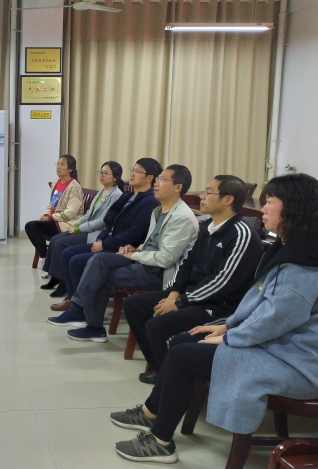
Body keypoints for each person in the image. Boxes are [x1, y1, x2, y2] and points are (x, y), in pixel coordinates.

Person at [111, 173, 318, 464]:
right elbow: (261, 304)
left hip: (294, 360)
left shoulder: (303, 263)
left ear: (294, 208)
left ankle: (160, 442)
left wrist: (230, 337)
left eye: (270, 201)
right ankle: (152, 411)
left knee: (183, 354)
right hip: (275, 344)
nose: (263, 209)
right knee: (184, 340)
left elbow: (277, 317)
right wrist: (227, 326)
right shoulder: (289, 246)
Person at [124, 175, 264, 384]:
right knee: (134, 305)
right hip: (191, 295)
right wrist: (173, 295)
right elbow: (187, 263)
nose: (201, 196)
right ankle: (162, 370)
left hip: (220, 305)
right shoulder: (207, 226)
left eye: (208, 192)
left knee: (157, 325)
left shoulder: (241, 234)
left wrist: (180, 302)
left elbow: (222, 282)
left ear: (228, 199)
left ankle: (173, 378)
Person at [48, 165, 199, 342]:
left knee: (100, 274)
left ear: (178, 187)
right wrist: (136, 249)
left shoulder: (182, 217)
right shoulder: (159, 210)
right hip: (144, 261)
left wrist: (133, 255)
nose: (157, 183)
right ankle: (83, 315)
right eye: (158, 179)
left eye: (162, 179)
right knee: (99, 261)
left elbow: (166, 258)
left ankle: (87, 320)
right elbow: (151, 243)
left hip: (159, 273)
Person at [47, 158, 161, 311]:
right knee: (67, 252)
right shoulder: (128, 196)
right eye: (132, 170)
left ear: (150, 178)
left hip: (122, 248)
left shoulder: (149, 201)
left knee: (74, 258)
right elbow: (109, 221)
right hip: (107, 240)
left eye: (137, 171)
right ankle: (72, 297)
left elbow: (134, 233)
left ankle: (77, 304)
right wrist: (101, 239)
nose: (132, 174)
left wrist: (104, 243)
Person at [39, 162, 124, 294]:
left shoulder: (116, 195)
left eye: (106, 173)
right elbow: (88, 214)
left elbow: (103, 221)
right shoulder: (101, 191)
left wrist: (80, 228)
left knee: (61, 243)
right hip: (86, 228)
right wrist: (76, 225)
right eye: (101, 172)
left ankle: (63, 283)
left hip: (96, 233)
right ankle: (55, 277)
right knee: (56, 239)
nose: (101, 175)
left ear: (115, 178)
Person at [24, 155, 84, 268]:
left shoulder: (74, 187)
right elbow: (51, 204)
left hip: (67, 223)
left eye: (62, 164)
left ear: (70, 169)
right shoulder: (57, 182)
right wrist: (46, 214)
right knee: (29, 226)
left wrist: (50, 218)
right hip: (56, 219)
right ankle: (46, 258)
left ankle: (46, 260)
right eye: (58, 164)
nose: (58, 167)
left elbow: (70, 213)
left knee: (35, 226)